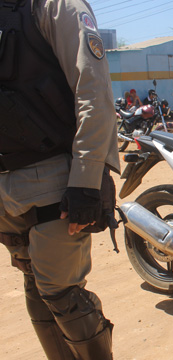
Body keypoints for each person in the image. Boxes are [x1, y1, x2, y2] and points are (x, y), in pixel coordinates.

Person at [0, 1, 120, 359]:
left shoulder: (55, 6)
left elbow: (93, 91)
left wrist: (86, 179)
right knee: (34, 283)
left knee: (61, 293)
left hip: (52, 177)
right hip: (5, 186)